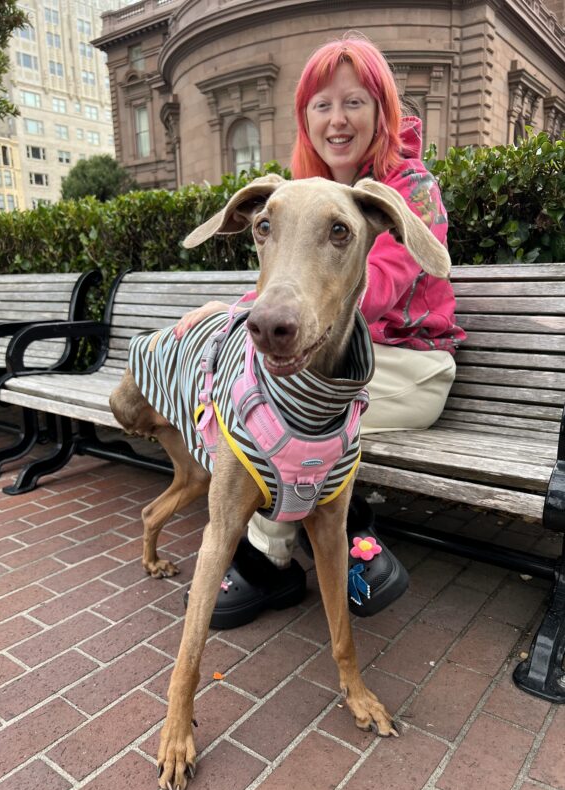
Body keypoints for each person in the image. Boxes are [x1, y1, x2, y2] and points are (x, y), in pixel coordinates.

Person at [176, 34, 466, 628]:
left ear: (382, 112)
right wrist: (234, 311)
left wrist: (266, 311)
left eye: (354, 101)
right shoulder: (301, 193)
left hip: (412, 364)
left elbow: (375, 285)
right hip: (336, 363)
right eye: (321, 104)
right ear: (304, 117)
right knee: (276, 406)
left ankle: (280, 557)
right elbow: (286, 279)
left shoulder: (408, 190)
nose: (337, 119)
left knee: (291, 422)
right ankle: (331, 539)